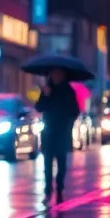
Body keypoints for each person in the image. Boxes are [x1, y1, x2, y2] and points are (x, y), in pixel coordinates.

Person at [35, 69, 81, 205]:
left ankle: (59, 189)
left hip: (62, 131)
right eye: (53, 74)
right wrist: (46, 96)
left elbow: (75, 110)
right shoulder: (47, 90)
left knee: (61, 162)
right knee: (47, 162)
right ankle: (48, 190)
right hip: (48, 131)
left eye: (58, 74)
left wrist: (68, 121)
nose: (55, 77)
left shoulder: (68, 91)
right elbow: (39, 107)